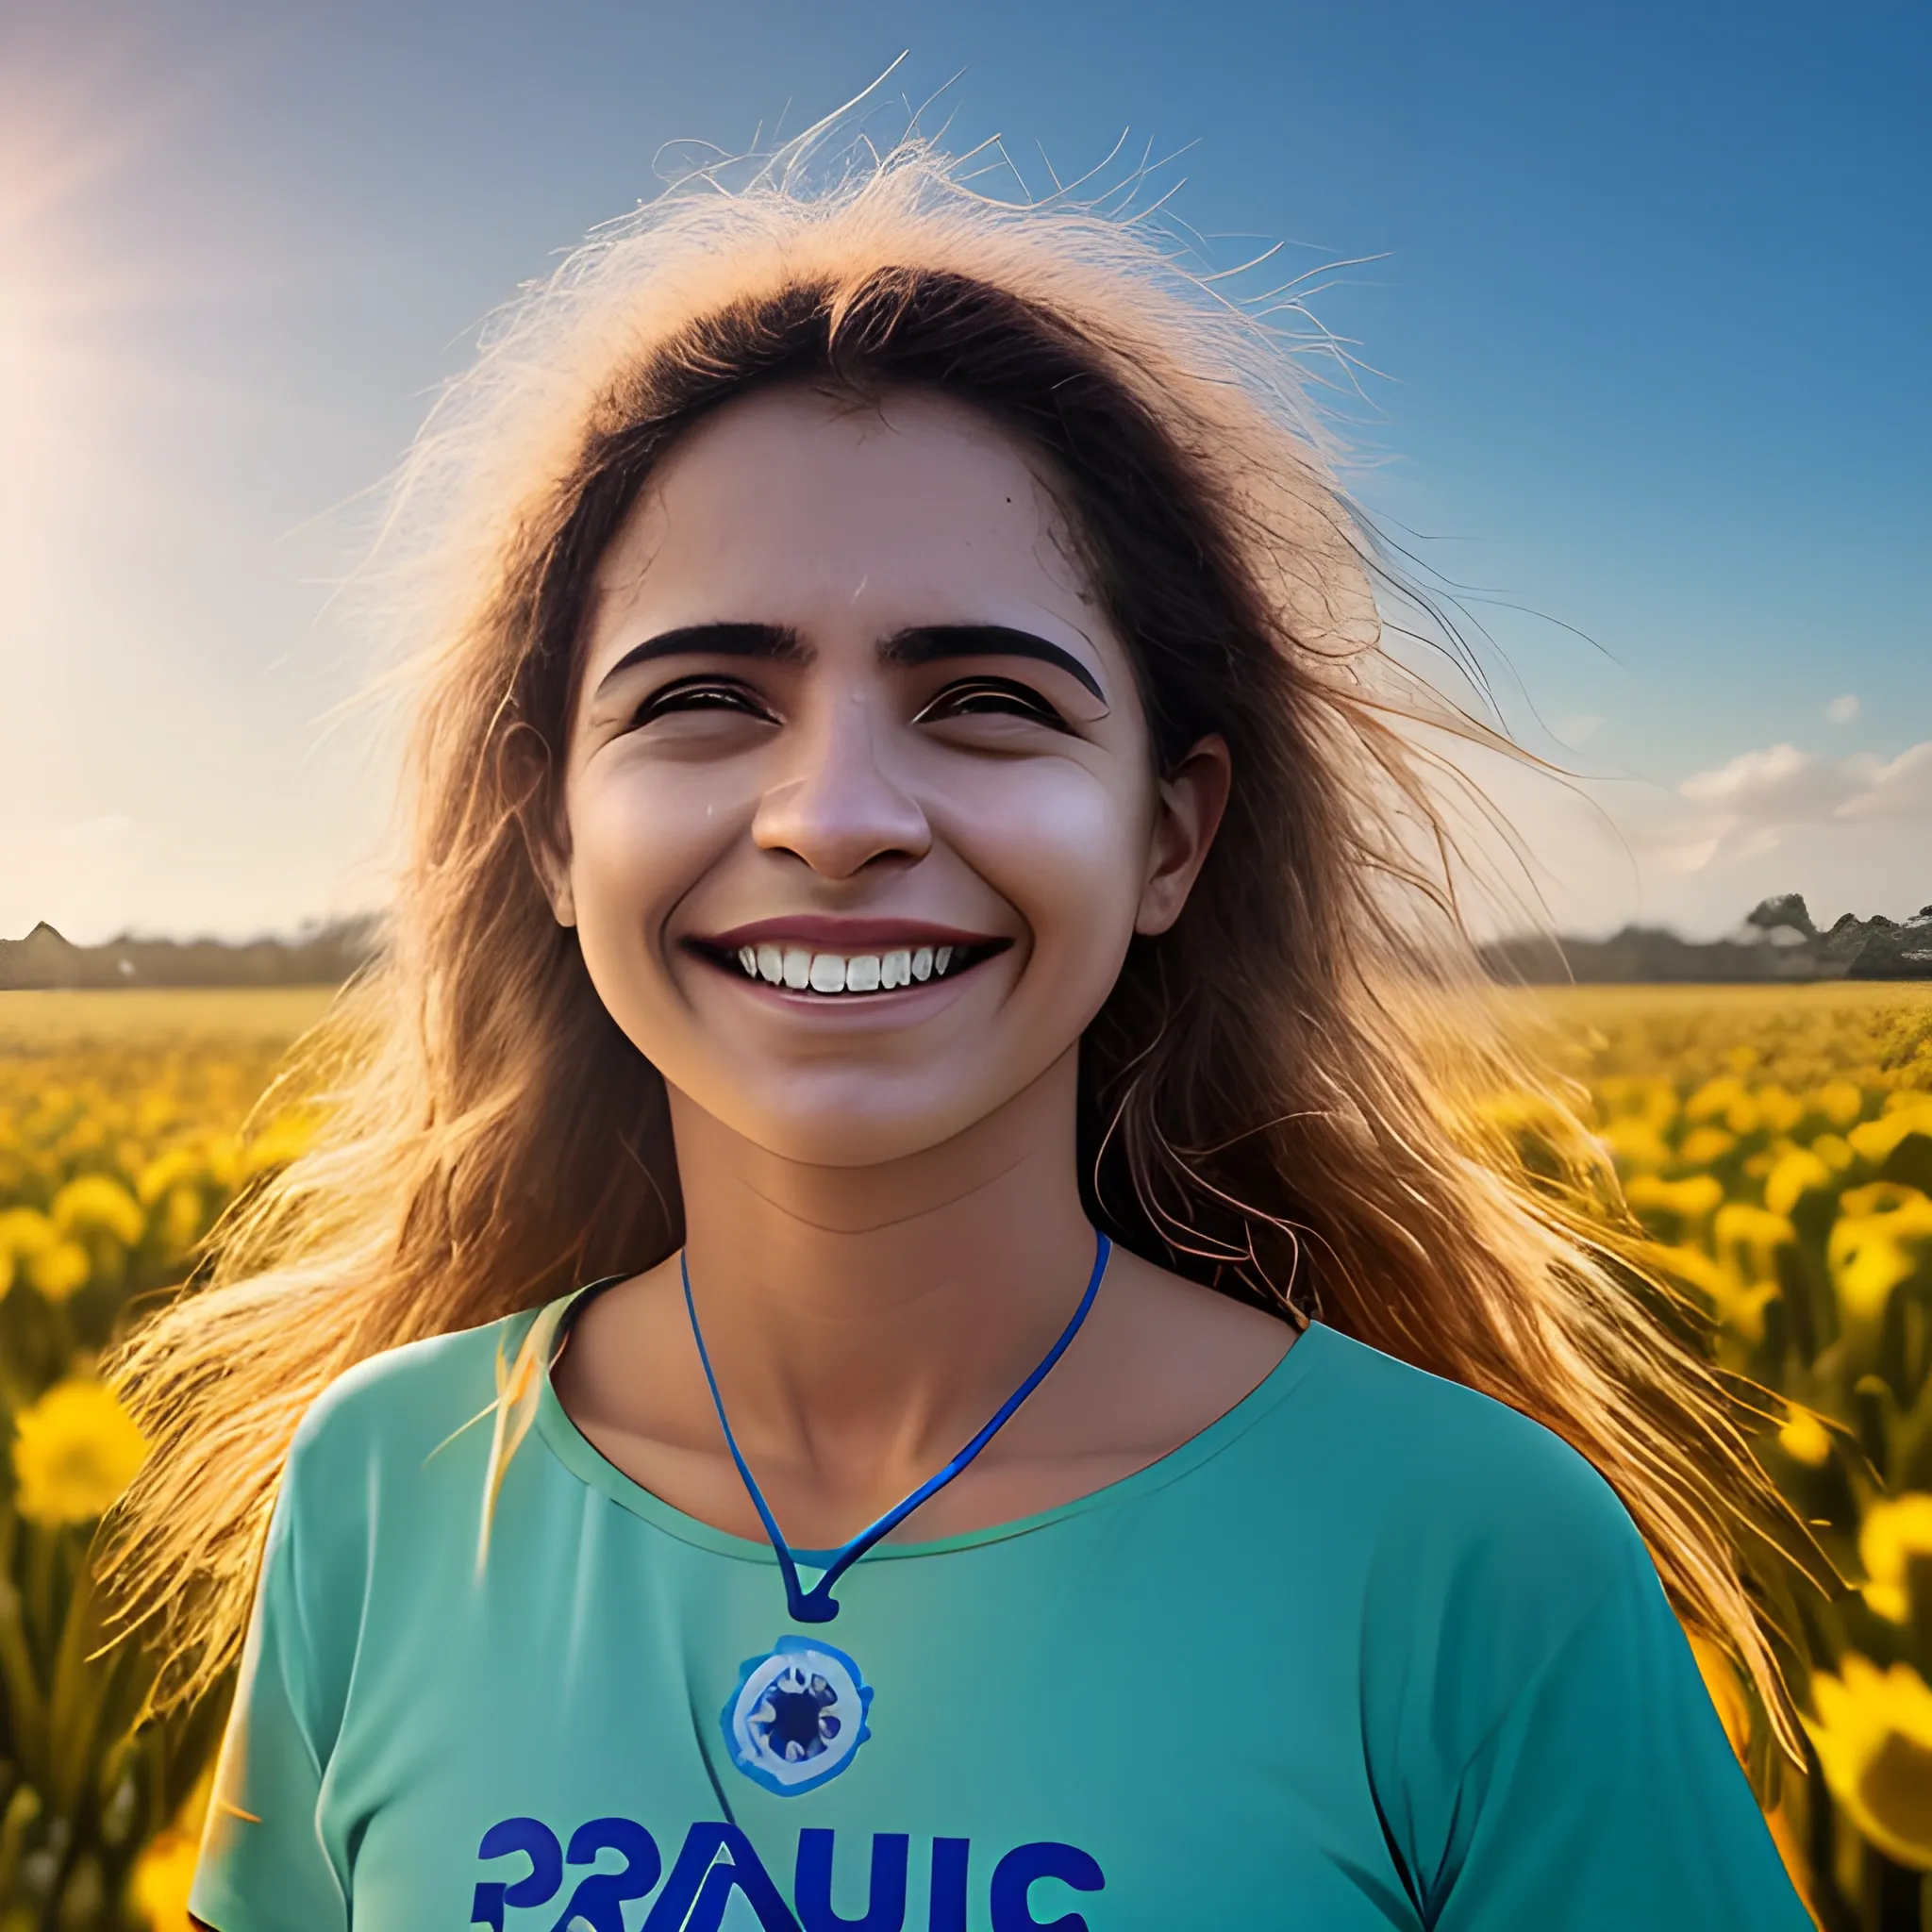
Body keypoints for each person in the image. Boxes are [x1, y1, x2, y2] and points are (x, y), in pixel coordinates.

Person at [105, 133, 1822, 1930]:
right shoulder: (381, 1488)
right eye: (703, 698)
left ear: (1169, 832)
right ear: (550, 828)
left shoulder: (1474, 1557)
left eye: (987, 701)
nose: (833, 814)